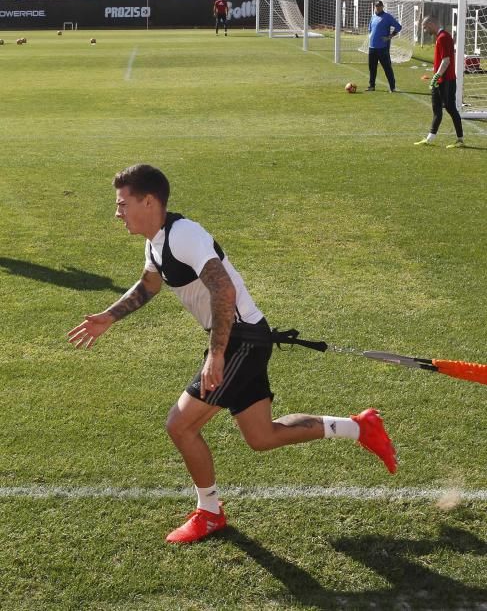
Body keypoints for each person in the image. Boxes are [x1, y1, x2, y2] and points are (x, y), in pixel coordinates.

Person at [68, 164, 397, 544]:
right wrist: (108, 318)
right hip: (243, 339)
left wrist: (217, 354)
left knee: (180, 425)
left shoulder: (184, 236)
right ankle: (361, 427)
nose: (117, 212)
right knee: (262, 436)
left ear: (148, 200)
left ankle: (209, 513)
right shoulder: (156, 242)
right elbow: (149, 285)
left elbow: (224, 292)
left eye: (122, 203)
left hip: (240, 340)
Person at [414, 15, 464, 149]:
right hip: (450, 79)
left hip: (443, 80)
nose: (425, 31)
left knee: (438, 109)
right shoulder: (445, 36)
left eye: (425, 27)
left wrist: (436, 76)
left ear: (431, 23)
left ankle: (430, 138)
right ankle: (460, 139)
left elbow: (446, 60)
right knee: (450, 108)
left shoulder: (442, 38)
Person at [367, 0, 402, 92]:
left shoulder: (387, 17)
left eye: (379, 6)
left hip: (382, 48)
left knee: (387, 68)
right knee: (372, 68)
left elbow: (398, 26)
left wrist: (390, 36)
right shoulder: (373, 17)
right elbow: (370, 30)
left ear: (382, 7)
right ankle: (372, 86)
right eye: (376, 6)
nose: (377, 7)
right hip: (372, 48)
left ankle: (392, 87)